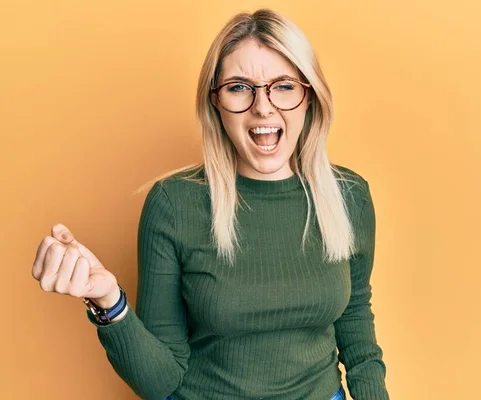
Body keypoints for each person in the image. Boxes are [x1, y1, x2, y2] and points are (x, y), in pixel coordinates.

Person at [31, 8, 389, 400]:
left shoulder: (349, 197)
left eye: (283, 85)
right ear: (215, 103)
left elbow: (356, 320)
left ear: (309, 97)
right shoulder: (174, 205)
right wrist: (108, 301)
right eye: (239, 87)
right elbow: (160, 381)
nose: (263, 107)